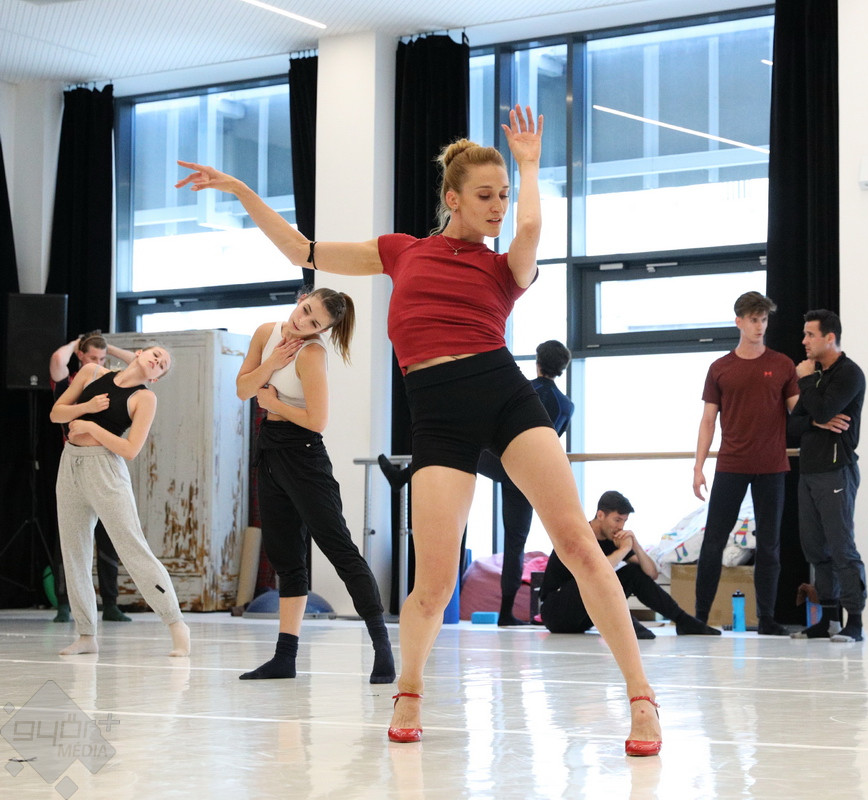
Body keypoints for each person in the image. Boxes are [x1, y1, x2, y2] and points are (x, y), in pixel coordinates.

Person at [176, 105, 662, 756]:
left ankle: (641, 699)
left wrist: (528, 166)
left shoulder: (506, 268)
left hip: (504, 394)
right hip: (436, 413)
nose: (498, 207)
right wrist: (239, 190)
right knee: (433, 580)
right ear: (452, 199)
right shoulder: (400, 252)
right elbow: (300, 249)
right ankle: (408, 691)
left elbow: (531, 228)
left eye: (504, 195)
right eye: (485, 195)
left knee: (576, 541)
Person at [234, 288, 396, 683]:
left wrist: (274, 404)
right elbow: (242, 389)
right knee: (286, 557)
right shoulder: (265, 333)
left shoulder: (311, 354)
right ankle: (284, 657)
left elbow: (317, 420)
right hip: (270, 450)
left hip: (304, 454)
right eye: (305, 310)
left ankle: (382, 648)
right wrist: (272, 362)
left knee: (339, 548)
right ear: (301, 298)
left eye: (314, 323)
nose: (302, 322)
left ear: (322, 330)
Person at [378, 338, 574, 627]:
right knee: (515, 543)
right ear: (562, 368)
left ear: (538, 362)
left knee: (455, 446)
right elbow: (551, 442)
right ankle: (506, 613)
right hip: (526, 474)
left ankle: (402, 476)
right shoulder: (566, 405)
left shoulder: (524, 389)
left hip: (500, 461)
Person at [50, 345, 190, 657]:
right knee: (74, 552)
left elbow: (130, 449)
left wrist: (90, 426)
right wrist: (86, 407)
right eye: (156, 354)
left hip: (106, 469)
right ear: (139, 353)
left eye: (162, 364)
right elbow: (56, 413)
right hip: (70, 463)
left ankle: (176, 624)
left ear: (155, 378)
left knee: (132, 547)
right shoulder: (91, 372)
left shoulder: (144, 398)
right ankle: (86, 634)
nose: (157, 360)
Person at [692, 291, 798, 636]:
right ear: (739, 321)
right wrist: (698, 467)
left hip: (772, 466)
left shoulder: (782, 365)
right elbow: (708, 420)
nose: (760, 326)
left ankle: (767, 618)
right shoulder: (720, 368)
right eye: (754, 319)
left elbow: (799, 412)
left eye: (764, 319)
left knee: (769, 545)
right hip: (731, 464)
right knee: (713, 541)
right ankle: (699, 617)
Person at [540, 491, 721, 639]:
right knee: (599, 578)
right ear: (600, 515)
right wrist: (623, 550)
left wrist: (636, 546)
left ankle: (683, 621)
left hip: (585, 617)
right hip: (556, 612)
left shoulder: (613, 539)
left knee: (633, 572)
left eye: (624, 521)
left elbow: (651, 574)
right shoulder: (579, 536)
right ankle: (627, 625)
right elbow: (595, 572)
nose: (621, 526)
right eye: (617, 520)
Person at [787, 309, 867, 642]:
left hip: (836, 471)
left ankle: (855, 623)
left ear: (829, 337)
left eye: (810, 335)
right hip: (809, 472)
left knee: (842, 548)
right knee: (816, 551)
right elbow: (792, 425)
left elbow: (822, 408)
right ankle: (828, 620)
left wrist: (807, 384)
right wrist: (815, 421)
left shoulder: (849, 374)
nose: (804, 341)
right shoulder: (816, 375)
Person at [48, 331, 137, 623]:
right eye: (93, 357)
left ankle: (110, 603)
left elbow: (139, 364)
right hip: (73, 463)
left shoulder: (111, 380)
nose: (98, 363)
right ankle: (65, 604)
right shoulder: (70, 382)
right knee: (71, 539)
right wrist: (78, 342)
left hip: (103, 463)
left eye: (102, 358)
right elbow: (57, 359)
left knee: (108, 537)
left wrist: (107, 345)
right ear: (81, 357)